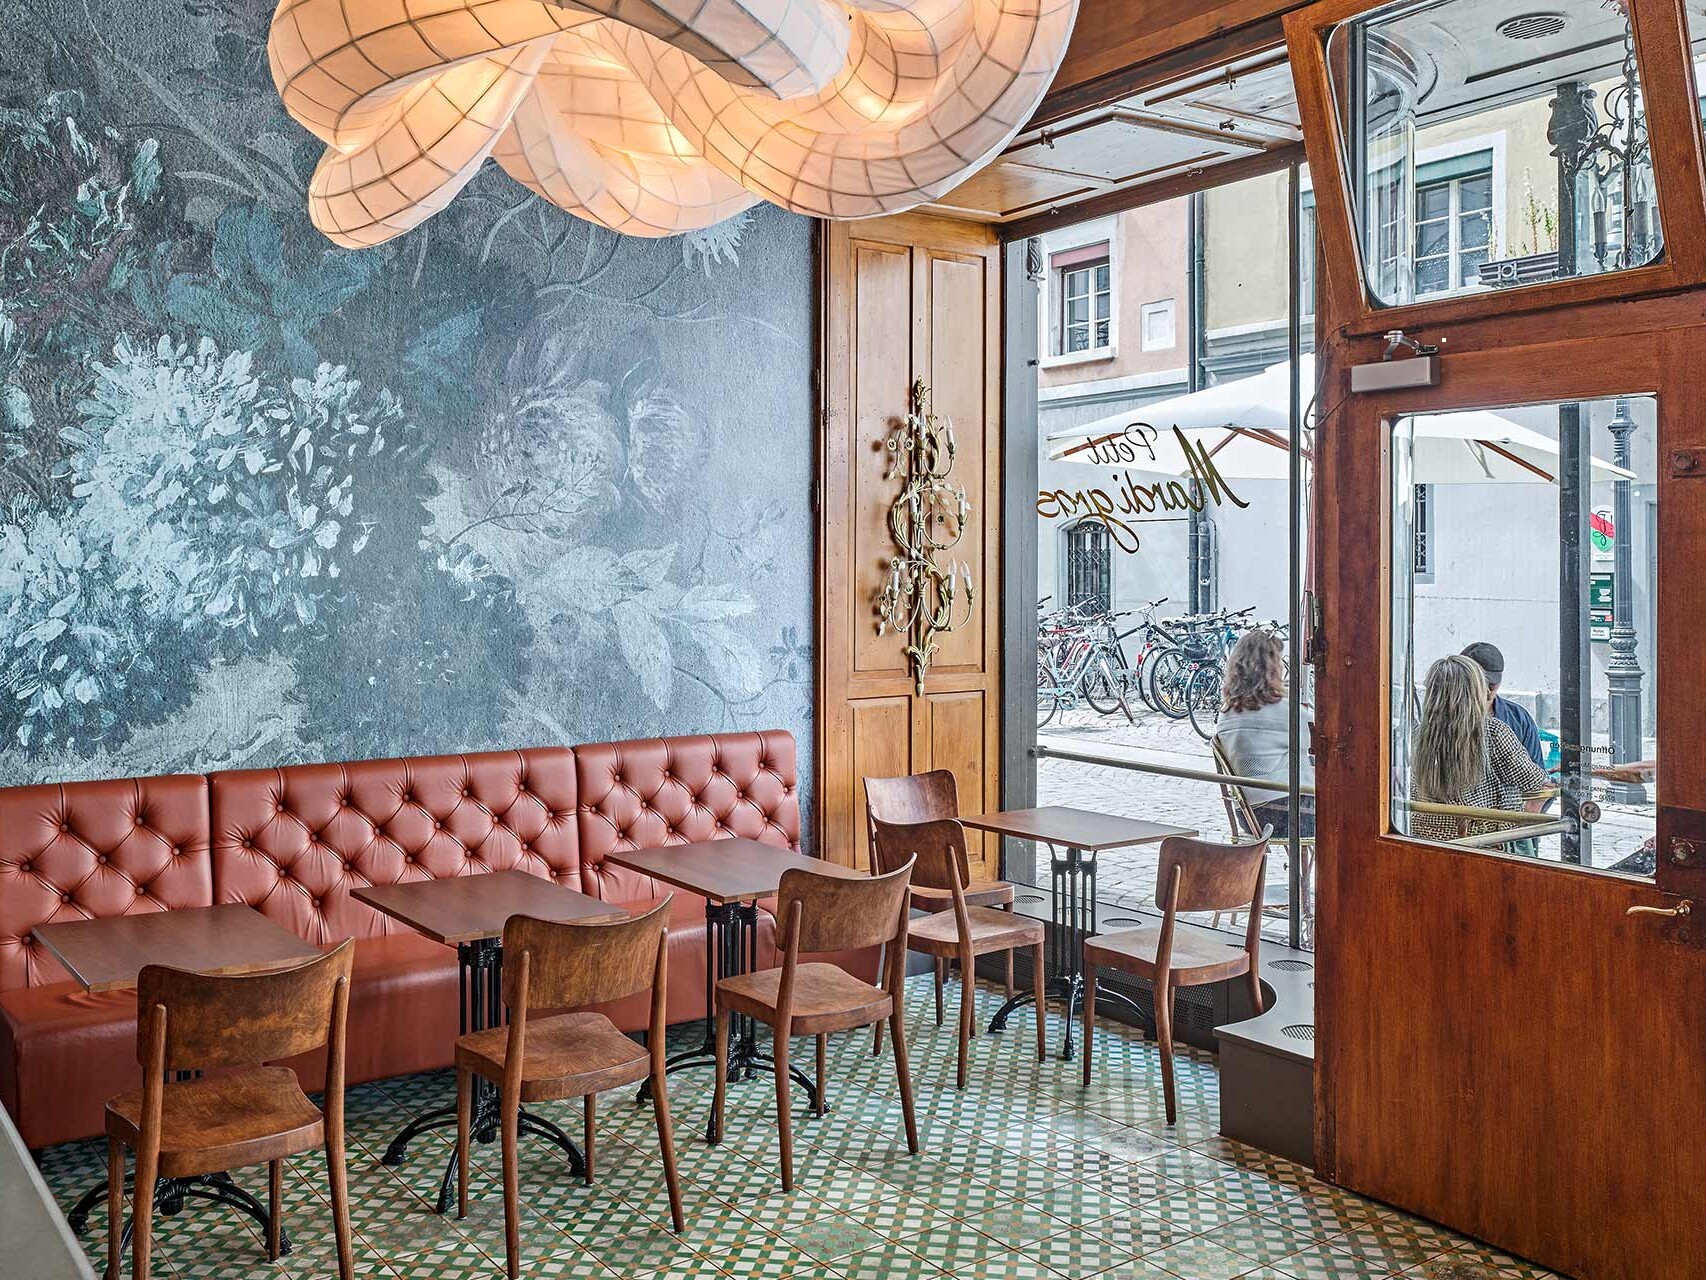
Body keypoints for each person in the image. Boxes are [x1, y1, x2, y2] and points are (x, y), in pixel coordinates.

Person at [1409, 655, 1550, 843]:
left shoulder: (1417, 735)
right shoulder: (1492, 732)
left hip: (1425, 843)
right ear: (1474, 693)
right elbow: (1536, 782)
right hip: (1481, 844)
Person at [1216, 628, 1315, 838]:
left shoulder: (1226, 712)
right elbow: (1318, 739)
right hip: (1289, 812)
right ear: (1272, 667)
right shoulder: (1285, 711)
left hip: (1249, 815)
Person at [1460, 641, 1545, 769]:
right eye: (1483, 682)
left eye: (1492, 683)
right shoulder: (1443, 719)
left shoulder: (1519, 719)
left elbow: (1536, 773)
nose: (1489, 689)